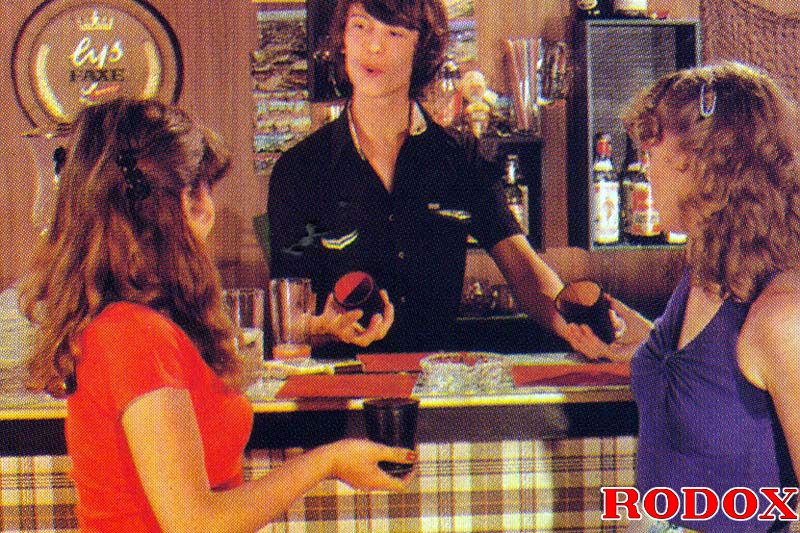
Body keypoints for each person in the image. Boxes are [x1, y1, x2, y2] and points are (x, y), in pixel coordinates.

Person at [19, 98, 415, 532]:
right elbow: (195, 522)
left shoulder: (141, 321)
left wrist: (315, 329)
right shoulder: (133, 333)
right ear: (171, 205)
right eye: (199, 187)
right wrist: (329, 460)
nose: (209, 210)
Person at [268, 0, 587, 357]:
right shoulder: (299, 170)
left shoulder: (461, 159)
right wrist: (324, 328)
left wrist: (574, 325)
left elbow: (523, 269)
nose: (373, 46)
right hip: (341, 385)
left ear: (422, 49)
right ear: (342, 40)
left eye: (394, 33)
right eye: (360, 26)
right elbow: (287, 315)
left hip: (435, 382)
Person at [591, 61, 800, 531]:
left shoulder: (782, 316)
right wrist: (644, 341)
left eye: (653, 145)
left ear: (705, 159)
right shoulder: (703, 276)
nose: (644, 166)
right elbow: (712, 385)